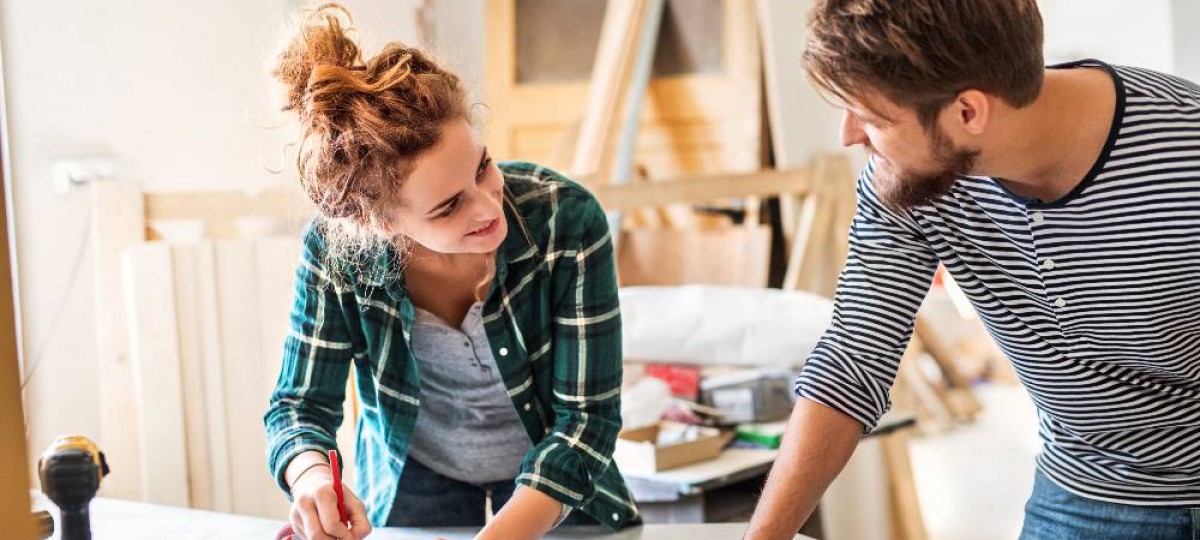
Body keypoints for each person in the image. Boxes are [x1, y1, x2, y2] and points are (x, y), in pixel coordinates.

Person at [745, 1, 1200, 538]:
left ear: (968, 112)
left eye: (871, 116)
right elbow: (853, 358)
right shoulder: (906, 182)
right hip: (1086, 488)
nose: (849, 135)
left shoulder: (1185, 155)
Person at [262, 5, 639, 540]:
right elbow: (298, 406)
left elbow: (586, 424)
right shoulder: (332, 253)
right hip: (413, 477)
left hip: (559, 483)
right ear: (381, 224)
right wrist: (311, 481)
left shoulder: (566, 220)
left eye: (484, 167)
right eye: (448, 207)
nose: (488, 208)